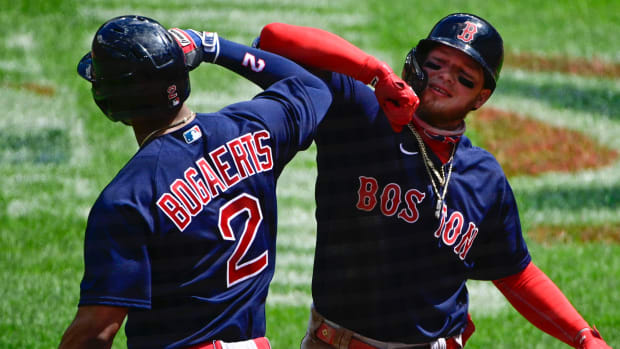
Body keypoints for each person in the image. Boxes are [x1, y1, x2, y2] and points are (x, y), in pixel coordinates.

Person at [253, 13, 612, 349]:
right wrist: (373, 72)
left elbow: (516, 273)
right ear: (415, 64)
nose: (445, 77)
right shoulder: (362, 114)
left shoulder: (483, 176)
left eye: (464, 77)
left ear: (481, 98)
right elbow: (271, 40)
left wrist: (583, 336)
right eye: (436, 64)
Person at [58, 14, 332, 349]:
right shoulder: (254, 129)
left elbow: (96, 331)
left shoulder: (129, 197)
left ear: (111, 99)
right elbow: (313, 87)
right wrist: (212, 47)